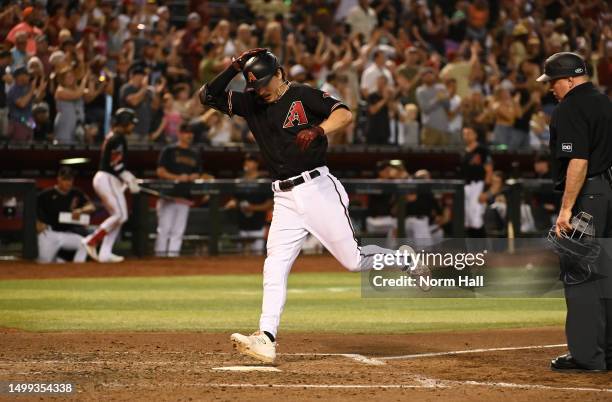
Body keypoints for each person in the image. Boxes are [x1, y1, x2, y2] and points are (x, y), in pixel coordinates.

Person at [199, 48, 428, 363]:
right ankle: (266, 336)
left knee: (352, 261)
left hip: (318, 188)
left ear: (279, 73)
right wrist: (234, 67)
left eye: (264, 82)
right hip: (284, 197)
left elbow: (344, 113)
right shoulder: (251, 102)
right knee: (275, 264)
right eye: (255, 85)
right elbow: (208, 96)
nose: (260, 89)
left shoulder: (303, 95)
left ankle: (403, 260)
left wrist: (320, 129)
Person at [537, 52, 612, 372]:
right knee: (607, 275)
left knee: (580, 274)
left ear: (570, 79)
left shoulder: (570, 107)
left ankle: (587, 355)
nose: (550, 87)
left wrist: (566, 210)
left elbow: (578, 161)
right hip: (610, 193)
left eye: (553, 81)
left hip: (589, 196)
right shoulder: (605, 102)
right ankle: (607, 352)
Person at [82, 108, 141, 263]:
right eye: (131, 123)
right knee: (120, 215)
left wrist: (127, 179)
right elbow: (115, 164)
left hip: (109, 178)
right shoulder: (117, 138)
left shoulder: (115, 137)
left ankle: (105, 253)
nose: (132, 127)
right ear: (124, 123)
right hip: (107, 177)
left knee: (120, 217)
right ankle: (92, 240)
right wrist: (128, 177)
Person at [155, 123, 202, 257]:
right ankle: (160, 257)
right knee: (164, 229)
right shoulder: (169, 150)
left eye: (191, 133)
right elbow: (160, 171)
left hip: (184, 196)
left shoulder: (194, 153)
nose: (189, 135)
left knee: (178, 231)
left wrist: (193, 176)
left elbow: (198, 172)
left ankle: (173, 258)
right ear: (179, 133)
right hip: (168, 196)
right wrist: (178, 177)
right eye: (186, 132)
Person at [37, 167, 95, 263]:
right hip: (49, 233)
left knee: (85, 244)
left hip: (67, 233)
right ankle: (57, 261)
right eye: (65, 179)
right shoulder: (46, 194)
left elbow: (91, 207)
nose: (68, 182)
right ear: (59, 179)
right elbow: (32, 208)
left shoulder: (76, 193)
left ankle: (76, 270)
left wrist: (81, 210)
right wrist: (37, 222)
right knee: (43, 262)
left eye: (70, 179)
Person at [224, 154, 273, 255]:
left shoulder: (263, 181)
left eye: (250, 161)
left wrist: (252, 208)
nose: (247, 163)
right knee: (241, 256)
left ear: (256, 164)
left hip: (258, 225)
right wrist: (233, 204)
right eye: (246, 161)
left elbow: (269, 204)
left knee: (257, 256)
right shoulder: (240, 181)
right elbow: (235, 199)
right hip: (242, 225)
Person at [461, 126, 492, 237]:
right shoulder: (463, 151)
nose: (466, 135)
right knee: (468, 218)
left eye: (469, 133)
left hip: (478, 185)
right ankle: (472, 248)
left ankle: (482, 247)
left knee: (477, 217)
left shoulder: (482, 150)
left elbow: (489, 170)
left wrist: (485, 190)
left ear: (475, 135)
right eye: (464, 133)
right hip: (467, 186)